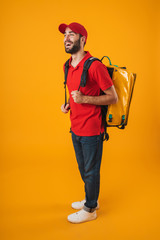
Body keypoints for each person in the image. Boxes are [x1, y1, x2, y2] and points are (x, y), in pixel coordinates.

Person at [58, 22, 118, 223]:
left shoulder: (95, 66)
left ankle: (90, 208)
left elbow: (113, 97)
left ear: (82, 39)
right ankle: (91, 198)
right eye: (65, 35)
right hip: (75, 126)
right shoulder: (67, 65)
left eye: (71, 35)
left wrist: (85, 100)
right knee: (84, 169)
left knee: (91, 171)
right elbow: (76, 93)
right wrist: (68, 104)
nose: (66, 38)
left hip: (92, 129)